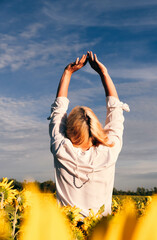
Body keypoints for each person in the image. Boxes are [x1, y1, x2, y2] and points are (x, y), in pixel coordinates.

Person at [48, 51, 130, 217]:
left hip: (66, 231)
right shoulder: (110, 151)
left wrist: (68, 72)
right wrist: (103, 73)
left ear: (68, 129)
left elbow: (58, 111)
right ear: (97, 128)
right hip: (100, 232)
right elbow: (115, 111)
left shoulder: (61, 149)